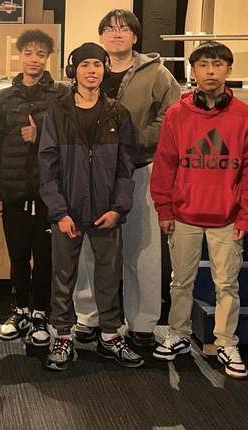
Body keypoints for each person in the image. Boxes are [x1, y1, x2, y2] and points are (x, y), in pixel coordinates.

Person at [150, 41, 248, 379]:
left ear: (229, 70)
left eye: (217, 64)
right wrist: (164, 209)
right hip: (183, 215)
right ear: (194, 71)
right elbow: (165, 165)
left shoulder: (245, 116)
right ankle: (178, 334)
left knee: (227, 284)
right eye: (203, 65)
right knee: (180, 282)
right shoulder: (177, 114)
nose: (210, 71)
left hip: (227, 217)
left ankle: (227, 342)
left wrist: (246, 214)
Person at [71, 9, 181, 353]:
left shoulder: (157, 73)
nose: (116, 34)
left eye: (124, 29)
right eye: (109, 29)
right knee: (90, 246)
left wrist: (136, 139)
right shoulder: (91, 68)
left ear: (135, 36)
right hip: (93, 173)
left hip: (139, 168)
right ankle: (88, 316)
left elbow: (172, 114)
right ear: (101, 36)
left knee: (142, 248)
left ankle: (143, 322)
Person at [38, 42, 140, 371]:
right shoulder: (57, 112)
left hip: (106, 212)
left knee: (109, 275)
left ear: (104, 69)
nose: (91, 71)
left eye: (97, 64)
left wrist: (118, 209)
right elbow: (47, 166)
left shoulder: (118, 113)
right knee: (62, 276)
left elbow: (126, 167)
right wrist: (59, 212)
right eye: (85, 65)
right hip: (67, 212)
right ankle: (63, 335)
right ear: (74, 71)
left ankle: (110, 335)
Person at [0, 29, 68, 347]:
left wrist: (41, 133)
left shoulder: (61, 95)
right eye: (29, 53)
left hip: (49, 193)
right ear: (20, 56)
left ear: (48, 58)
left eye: (41, 54)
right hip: (13, 190)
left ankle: (41, 314)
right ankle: (19, 310)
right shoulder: (3, 99)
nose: (34, 59)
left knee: (45, 258)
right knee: (18, 255)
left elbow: (70, 136)